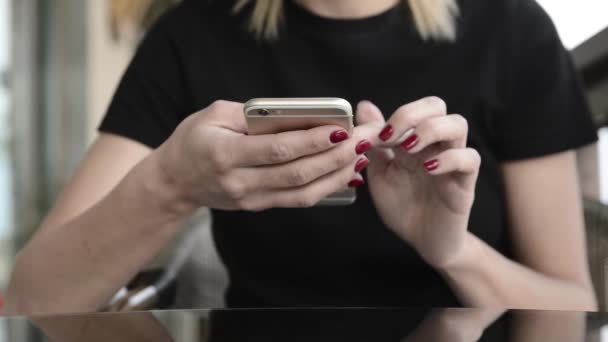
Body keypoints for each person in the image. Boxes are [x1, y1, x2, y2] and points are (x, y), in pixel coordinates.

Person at [6, 0, 598, 314]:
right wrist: (169, 186)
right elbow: (32, 301)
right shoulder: (189, 37)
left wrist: (450, 249)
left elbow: (572, 309)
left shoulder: (512, 31)